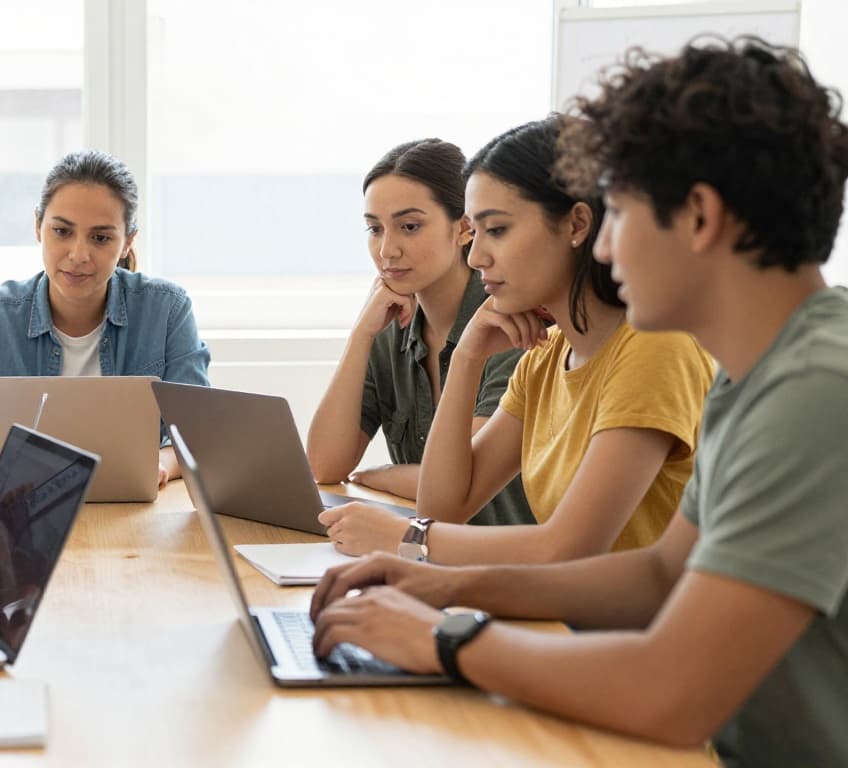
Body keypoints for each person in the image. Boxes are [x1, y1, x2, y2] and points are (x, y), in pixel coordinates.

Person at [311, 37, 848, 765]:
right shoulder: (754, 370)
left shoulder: (817, 389)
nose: (603, 250)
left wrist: (448, 638)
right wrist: (437, 584)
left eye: (619, 214)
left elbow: (675, 692)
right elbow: (660, 573)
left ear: (699, 216)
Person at [322, 115, 714, 562]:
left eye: (498, 230)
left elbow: (569, 547)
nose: (475, 254)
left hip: (627, 627)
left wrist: (403, 539)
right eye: (477, 230)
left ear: (576, 224)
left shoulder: (655, 347)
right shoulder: (547, 356)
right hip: (564, 617)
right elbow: (444, 509)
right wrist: (468, 355)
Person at [0, 150, 211, 484]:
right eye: (62, 231)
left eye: (101, 238)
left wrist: (158, 465)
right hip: (22, 506)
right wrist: (19, 471)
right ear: (38, 226)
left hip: (137, 506)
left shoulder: (167, 310)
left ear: (128, 241)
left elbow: (195, 435)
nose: (78, 255)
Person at [306, 139, 534, 549]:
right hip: (422, 556)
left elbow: (462, 481)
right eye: (375, 229)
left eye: (409, 227)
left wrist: (386, 476)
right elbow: (324, 464)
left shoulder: (508, 327)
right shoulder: (391, 327)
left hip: (496, 564)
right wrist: (361, 335)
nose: (386, 250)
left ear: (464, 228)